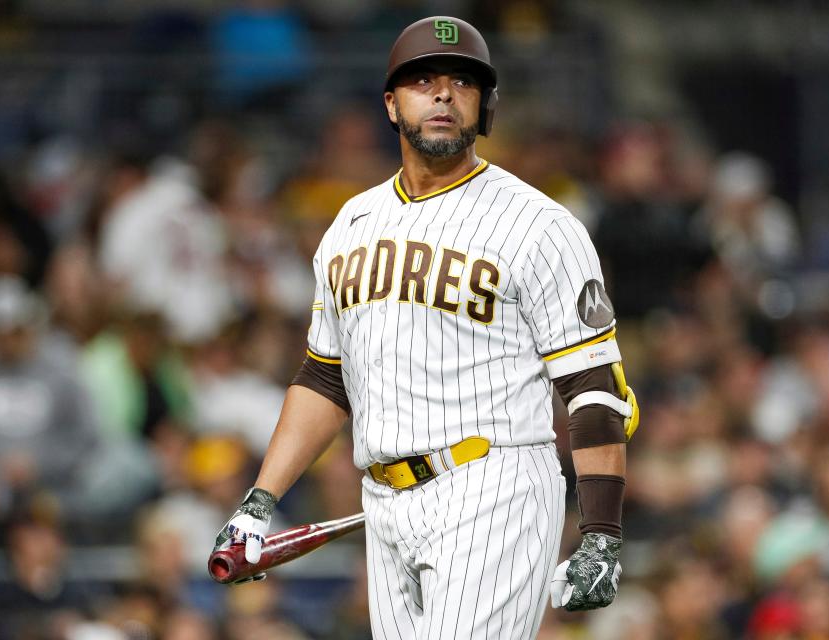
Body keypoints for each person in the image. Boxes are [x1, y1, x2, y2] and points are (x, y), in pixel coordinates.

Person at [211, 16, 640, 638]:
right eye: (422, 80)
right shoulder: (350, 225)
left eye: (462, 82)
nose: (442, 94)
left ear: (484, 104)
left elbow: (595, 387)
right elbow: (326, 379)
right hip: (382, 500)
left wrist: (601, 533)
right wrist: (259, 502)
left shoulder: (541, 225)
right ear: (391, 104)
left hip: (494, 485)